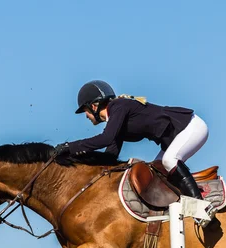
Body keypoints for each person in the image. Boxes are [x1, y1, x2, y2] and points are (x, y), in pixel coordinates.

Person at [54, 80, 216, 226]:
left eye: (85, 112)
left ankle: (202, 209)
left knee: (169, 161)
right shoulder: (116, 117)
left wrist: (70, 146)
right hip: (177, 136)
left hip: (190, 127)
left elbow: (105, 138)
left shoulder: (118, 106)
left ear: (94, 106)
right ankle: (182, 208)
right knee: (157, 171)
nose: (87, 117)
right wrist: (75, 158)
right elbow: (110, 156)